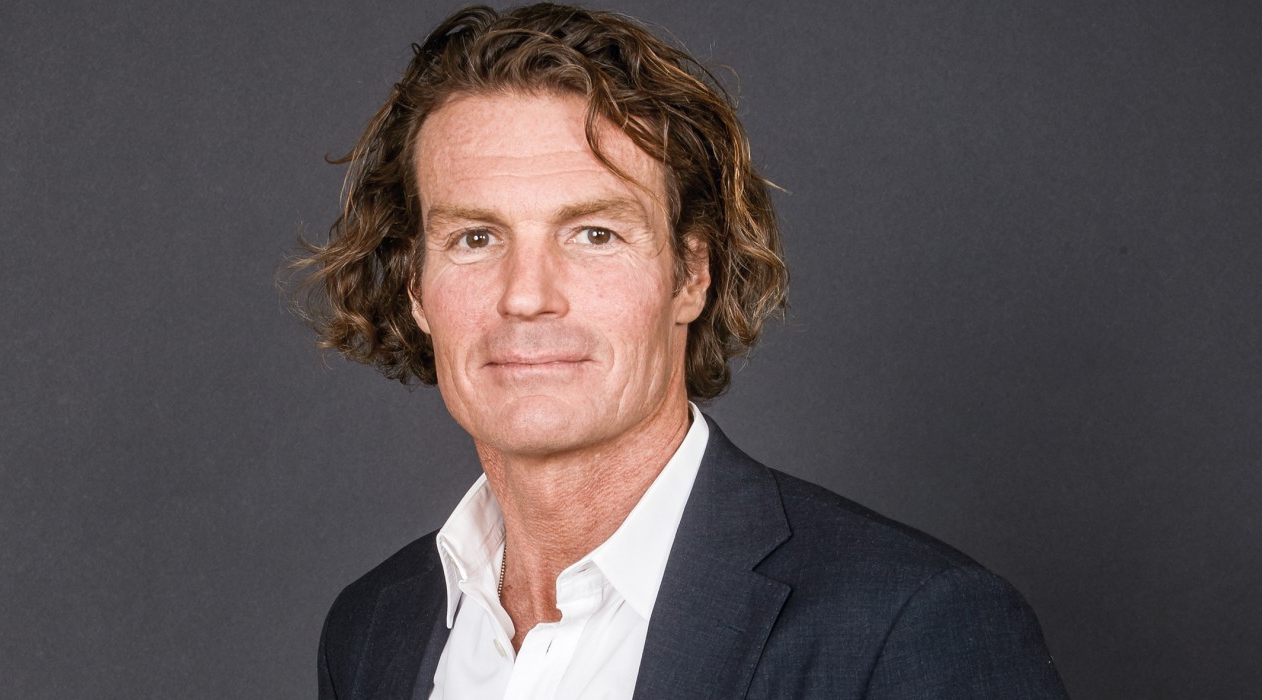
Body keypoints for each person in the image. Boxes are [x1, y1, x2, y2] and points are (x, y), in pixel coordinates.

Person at [287, 4, 1070, 698]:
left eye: (595, 234)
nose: (526, 295)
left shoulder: (908, 626)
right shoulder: (374, 628)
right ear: (416, 288)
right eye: (475, 238)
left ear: (692, 275)